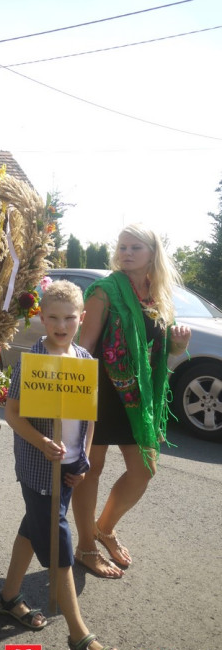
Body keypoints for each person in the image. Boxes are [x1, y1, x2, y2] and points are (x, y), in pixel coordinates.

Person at [0, 280, 119, 650]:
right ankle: (79, 636)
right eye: (53, 317)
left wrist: (82, 460)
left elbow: (89, 418)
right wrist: (41, 442)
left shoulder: (84, 360)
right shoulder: (31, 360)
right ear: (41, 317)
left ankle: (7, 596)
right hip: (38, 467)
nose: (61, 324)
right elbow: (13, 415)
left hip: (69, 470)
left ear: (82, 319)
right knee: (57, 541)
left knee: (34, 527)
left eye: (69, 318)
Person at [72, 224, 191, 577]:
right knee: (90, 472)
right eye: (122, 247)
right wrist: (76, 404)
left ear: (152, 253)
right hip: (101, 393)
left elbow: (155, 351)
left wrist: (178, 348)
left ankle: (103, 528)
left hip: (138, 398)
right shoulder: (104, 291)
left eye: (134, 247)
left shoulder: (157, 295)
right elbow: (85, 349)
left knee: (144, 469)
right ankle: (85, 546)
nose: (125, 253)